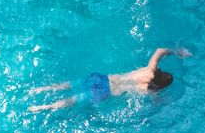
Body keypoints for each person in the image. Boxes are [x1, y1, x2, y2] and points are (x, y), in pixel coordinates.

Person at [27, 47, 192, 113]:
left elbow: (160, 50)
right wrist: (165, 100)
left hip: (102, 79)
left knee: (71, 85)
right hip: (105, 92)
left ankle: (42, 89)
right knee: (73, 100)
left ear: (160, 72)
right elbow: (156, 102)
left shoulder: (149, 70)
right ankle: (44, 107)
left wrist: (177, 52)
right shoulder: (150, 90)